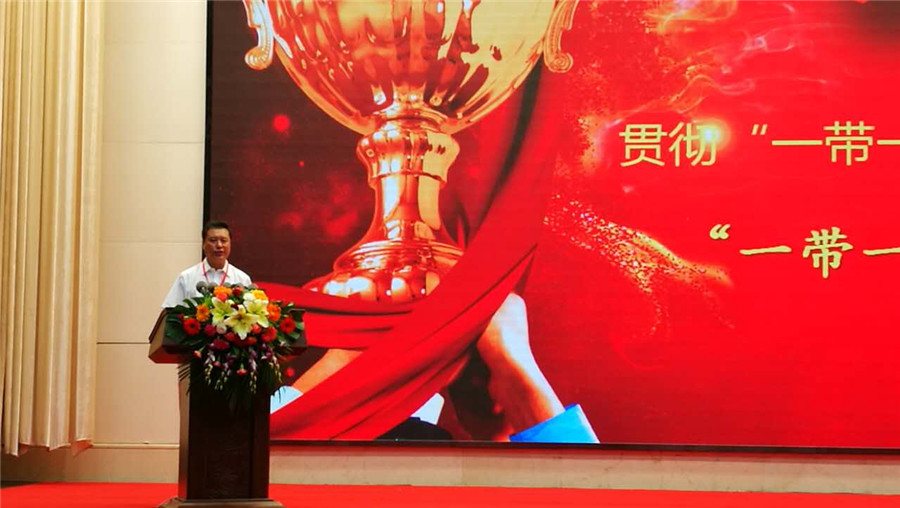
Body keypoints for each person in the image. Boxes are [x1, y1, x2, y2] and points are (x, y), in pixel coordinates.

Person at [162, 220, 252, 308]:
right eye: (213, 240)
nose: (219, 245)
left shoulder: (242, 279)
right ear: (203, 244)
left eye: (224, 240)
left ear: (230, 244)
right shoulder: (186, 277)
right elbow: (170, 311)